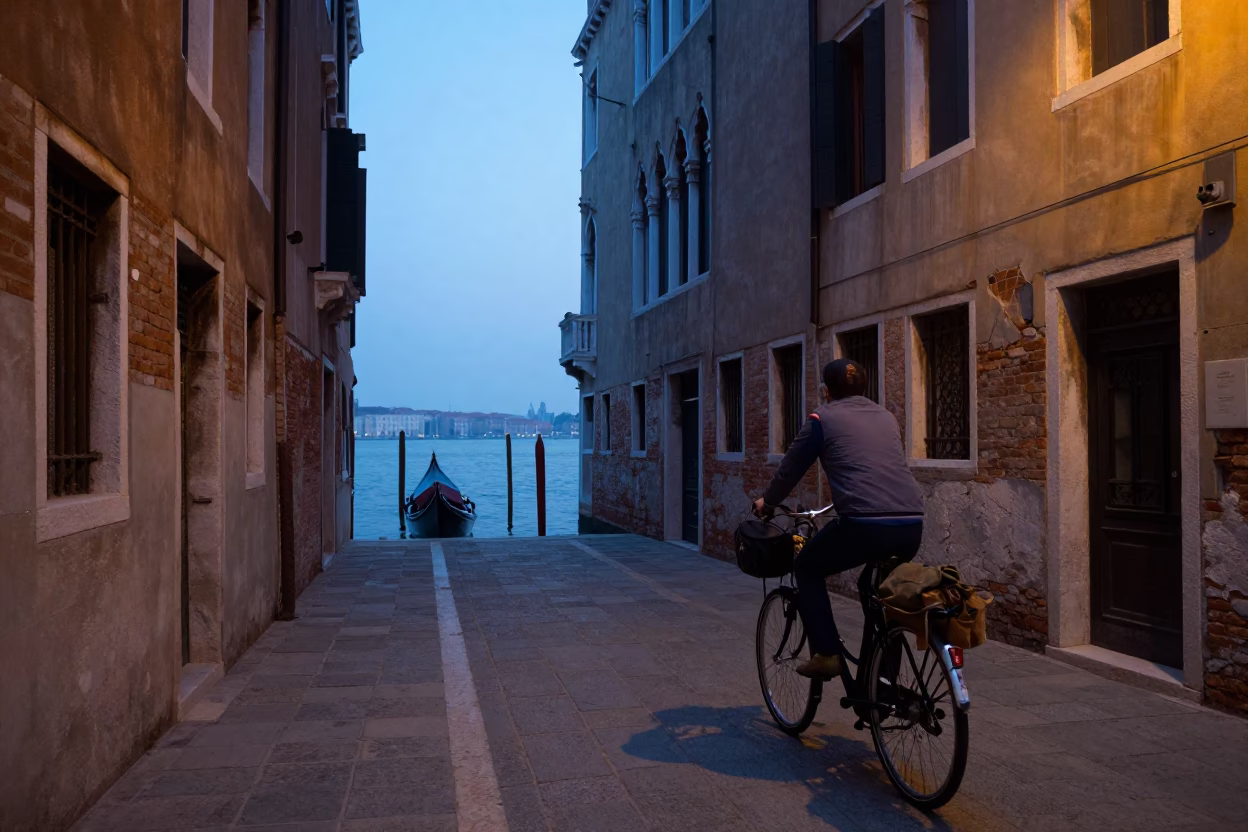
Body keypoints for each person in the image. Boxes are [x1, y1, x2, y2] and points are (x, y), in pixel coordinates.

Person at [753, 359, 924, 680]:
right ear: (864, 388)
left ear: (826, 391)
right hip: (911, 524)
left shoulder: (822, 418)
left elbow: (791, 468)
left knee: (807, 566)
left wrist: (769, 502)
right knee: (879, 592)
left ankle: (827, 652)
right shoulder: (886, 417)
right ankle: (881, 685)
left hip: (865, 525)